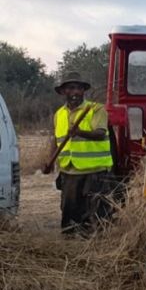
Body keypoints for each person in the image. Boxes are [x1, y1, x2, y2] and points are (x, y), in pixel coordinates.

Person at [43, 71, 114, 237]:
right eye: (70, 88)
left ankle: (95, 251)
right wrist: (50, 161)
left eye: (78, 88)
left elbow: (100, 134)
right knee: (69, 215)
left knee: (96, 217)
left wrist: (80, 132)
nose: (74, 92)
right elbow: (57, 139)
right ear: (63, 92)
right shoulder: (59, 114)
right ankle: (71, 248)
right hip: (69, 171)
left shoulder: (96, 109)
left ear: (83, 91)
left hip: (94, 172)